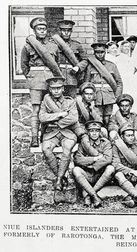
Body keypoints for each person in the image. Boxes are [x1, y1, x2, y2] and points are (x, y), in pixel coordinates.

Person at [21, 17, 61, 147]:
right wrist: (31, 77)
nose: (42, 31)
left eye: (44, 29)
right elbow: (24, 65)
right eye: (39, 29)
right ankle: (34, 138)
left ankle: (45, 136)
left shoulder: (53, 45)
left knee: (48, 108)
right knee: (36, 109)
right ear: (34, 30)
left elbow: (57, 64)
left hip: (50, 80)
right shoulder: (28, 46)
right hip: (36, 80)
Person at [39, 77, 78, 191]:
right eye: (53, 88)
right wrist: (60, 114)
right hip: (51, 132)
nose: (56, 91)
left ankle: (59, 179)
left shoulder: (70, 101)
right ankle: (60, 177)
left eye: (59, 88)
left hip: (67, 132)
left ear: (63, 89)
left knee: (67, 149)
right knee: (46, 149)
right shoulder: (45, 102)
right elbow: (42, 117)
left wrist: (53, 120)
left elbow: (73, 118)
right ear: (50, 90)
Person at [72, 120, 114, 208]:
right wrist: (95, 158)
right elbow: (78, 159)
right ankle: (95, 196)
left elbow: (108, 159)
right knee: (76, 170)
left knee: (110, 168)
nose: (94, 133)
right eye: (91, 131)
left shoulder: (105, 143)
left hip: (99, 174)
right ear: (88, 132)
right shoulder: (83, 144)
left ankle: (88, 196)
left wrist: (92, 165)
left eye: (97, 131)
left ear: (100, 132)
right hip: (86, 174)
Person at [84, 42, 123, 125]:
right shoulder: (90, 66)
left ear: (105, 52)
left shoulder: (111, 65)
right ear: (94, 53)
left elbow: (119, 82)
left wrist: (117, 96)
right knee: (97, 117)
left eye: (102, 52)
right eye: (97, 52)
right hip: (96, 95)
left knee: (108, 118)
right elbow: (86, 84)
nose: (100, 55)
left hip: (109, 95)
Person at [113, 123, 137, 209]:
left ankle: (130, 197)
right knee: (118, 175)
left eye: (132, 135)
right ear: (122, 137)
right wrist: (132, 171)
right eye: (128, 135)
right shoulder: (116, 146)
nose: (131, 137)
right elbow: (116, 164)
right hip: (125, 175)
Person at [54, 19, 88, 98]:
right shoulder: (54, 44)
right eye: (64, 30)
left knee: (72, 100)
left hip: (72, 77)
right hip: (58, 77)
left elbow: (85, 60)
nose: (66, 33)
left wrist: (78, 67)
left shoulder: (77, 45)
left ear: (71, 31)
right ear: (60, 31)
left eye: (68, 30)